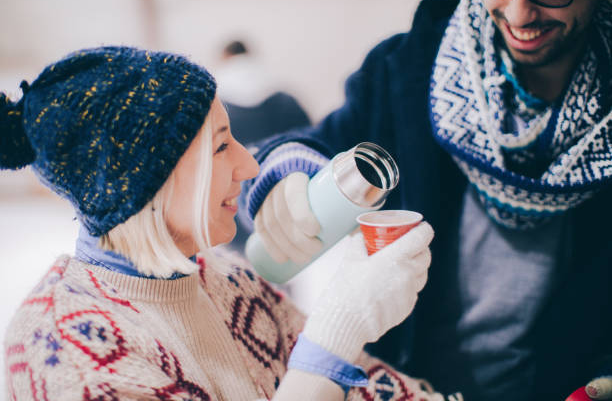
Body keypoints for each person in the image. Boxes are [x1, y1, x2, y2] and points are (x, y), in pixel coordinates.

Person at [0, 46, 454, 400]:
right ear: (145, 184)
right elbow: (328, 362)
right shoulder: (58, 346)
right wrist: (336, 334)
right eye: (220, 147)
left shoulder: (229, 281)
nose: (249, 166)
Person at [239, 0, 612, 400]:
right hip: (401, 384)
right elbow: (313, 146)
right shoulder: (408, 67)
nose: (520, 13)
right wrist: (286, 171)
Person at [214, 40, 311, 253]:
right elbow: (310, 141)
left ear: (224, 58)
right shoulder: (285, 99)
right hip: (286, 201)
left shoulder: (216, 103)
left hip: (235, 205)